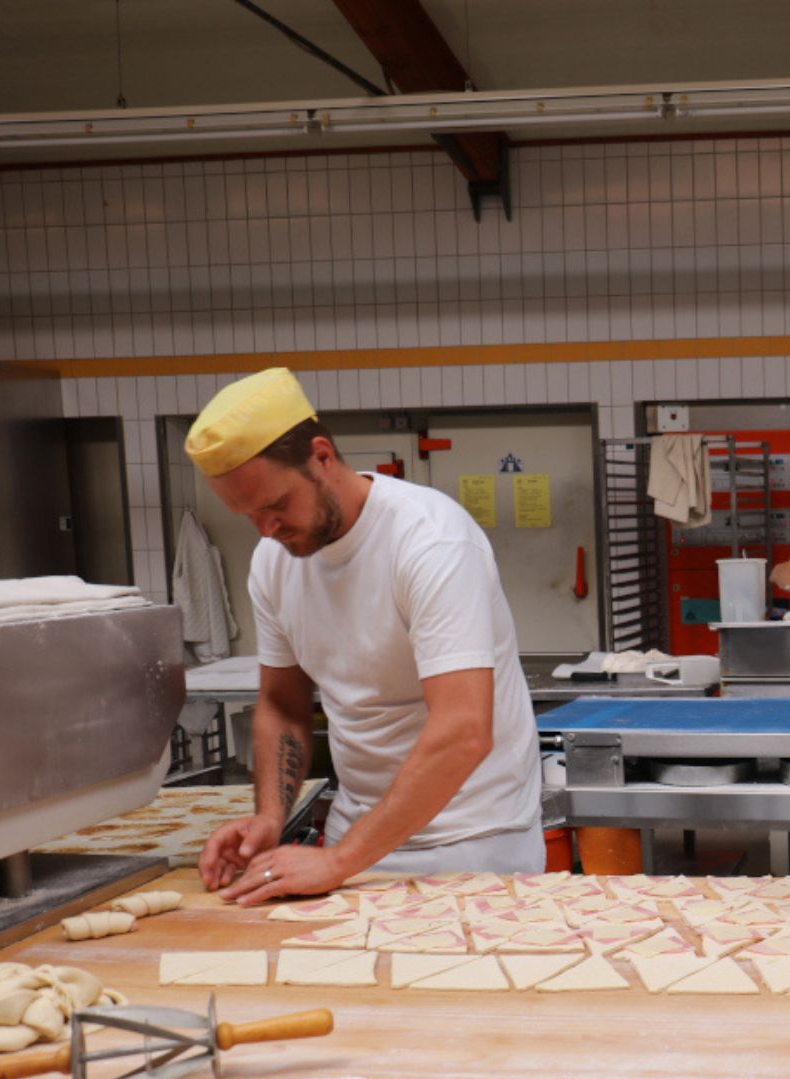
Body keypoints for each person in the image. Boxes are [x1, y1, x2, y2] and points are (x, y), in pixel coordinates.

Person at [187, 368, 544, 904]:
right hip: (356, 843)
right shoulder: (273, 564)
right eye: (249, 515)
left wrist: (339, 860)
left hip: (473, 844)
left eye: (277, 505)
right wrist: (270, 817)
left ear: (322, 457)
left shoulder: (430, 542)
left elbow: (464, 729)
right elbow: (283, 704)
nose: (267, 530)